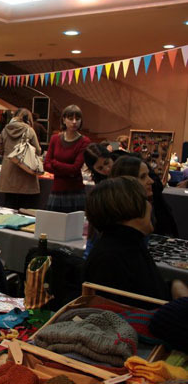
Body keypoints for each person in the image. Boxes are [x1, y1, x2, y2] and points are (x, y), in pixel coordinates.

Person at [84, 176, 188, 306]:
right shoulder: (111, 257)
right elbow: (121, 312)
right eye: (145, 200)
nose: (150, 206)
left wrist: (173, 285)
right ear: (130, 207)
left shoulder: (129, 243)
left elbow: (146, 292)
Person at [110, 155, 178, 237]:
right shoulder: (124, 214)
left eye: (148, 175)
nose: (151, 181)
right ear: (127, 181)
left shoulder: (150, 205)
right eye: (143, 177)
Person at [44, 105, 91, 213]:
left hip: (75, 192)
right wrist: (67, 171)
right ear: (64, 120)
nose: (74, 122)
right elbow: (46, 165)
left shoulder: (84, 141)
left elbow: (75, 169)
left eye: (77, 119)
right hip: (56, 190)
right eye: (70, 118)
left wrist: (55, 163)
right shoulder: (55, 139)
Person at [0, 109, 42, 209]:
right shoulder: (29, 130)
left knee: (9, 209)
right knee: (25, 210)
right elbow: (38, 151)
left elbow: (0, 150)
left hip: (8, 176)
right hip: (26, 175)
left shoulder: (5, 130)